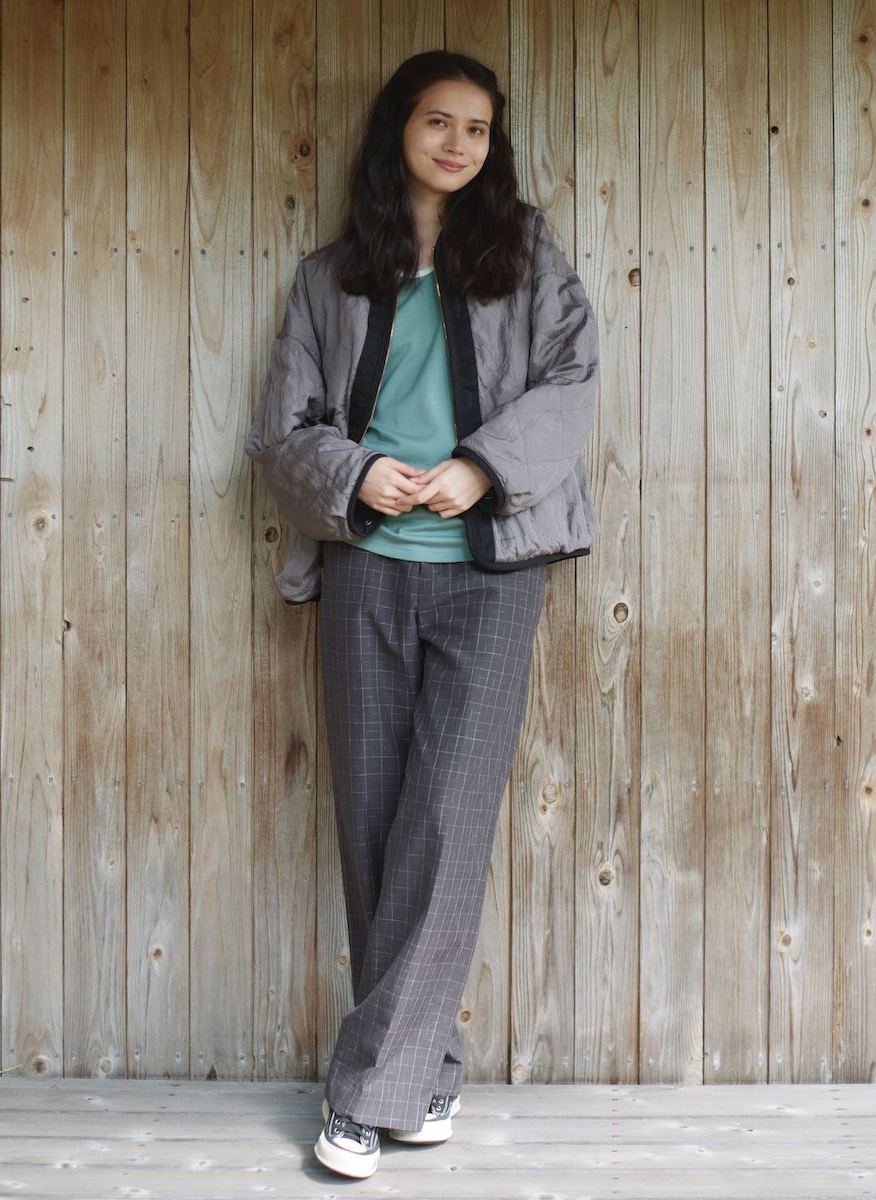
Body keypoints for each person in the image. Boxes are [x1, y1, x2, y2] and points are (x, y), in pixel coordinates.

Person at [245, 50, 599, 1180]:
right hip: (364, 566)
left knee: (445, 819)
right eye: (439, 122)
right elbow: (281, 430)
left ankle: (359, 1099)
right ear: (398, 129)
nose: (457, 144)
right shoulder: (331, 277)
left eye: (477, 129)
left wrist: (479, 467)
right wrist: (357, 474)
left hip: (492, 572)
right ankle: (425, 1073)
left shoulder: (526, 257)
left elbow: (573, 383)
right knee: (373, 823)